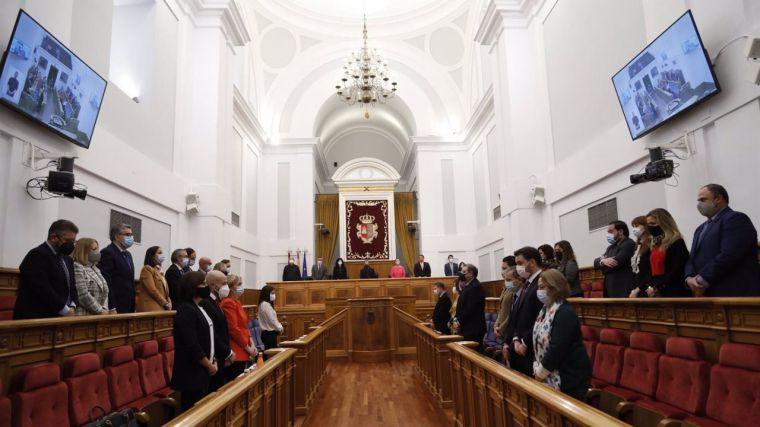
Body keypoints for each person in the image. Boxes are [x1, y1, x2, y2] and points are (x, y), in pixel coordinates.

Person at [686, 184, 760, 297]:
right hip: (705, 294)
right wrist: (689, 279)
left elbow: (729, 255)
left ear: (718, 199)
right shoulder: (700, 229)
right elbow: (692, 258)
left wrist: (701, 281)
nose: (699, 204)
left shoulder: (736, 219)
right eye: (698, 200)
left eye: (703, 199)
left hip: (733, 292)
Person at [532, 269, 592, 401]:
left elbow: (558, 347)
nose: (539, 291)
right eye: (538, 287)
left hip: (569, 376)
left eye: (542, 287)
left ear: (554, 288)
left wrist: (540, 373)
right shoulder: (544, 310)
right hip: (551, 372)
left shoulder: (564, 312)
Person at [14, 220, 79, 319]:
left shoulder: (67, 259)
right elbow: (43, 289)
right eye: (67, 241)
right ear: (53, 237)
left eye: (73, 242)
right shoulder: (37, 255)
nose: (71, 245)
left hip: (63, 317)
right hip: (37, 318)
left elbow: (72, 287)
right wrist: (65, 311)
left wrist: (73, 306)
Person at [171, 271, 217, 411]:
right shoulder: (186, 309)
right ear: (192, 287)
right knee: (193, 411)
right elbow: (191, 344)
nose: (206, 286)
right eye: (202, 284)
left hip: (202, 370)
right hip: (191, 372)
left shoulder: (199, 307)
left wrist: (212, 360)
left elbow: (208, 337)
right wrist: (209, 364)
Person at [631, 209, 690, 298]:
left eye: (653, 224)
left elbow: (678, 269)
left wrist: (658, 286)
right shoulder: (655, 244)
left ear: (664, 223)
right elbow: (650, 270)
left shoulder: (677, 241)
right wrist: (652, 286)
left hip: (673, 290)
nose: (650, 227)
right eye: (648, 224)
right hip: (656, 290)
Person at [504, 247, 544, 376]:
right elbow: (517, 316)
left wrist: (524, 342)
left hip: (531, 348)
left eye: (520, 263)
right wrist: (515, 338)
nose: (518, 267)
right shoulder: (528, 284)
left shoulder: (542, 283)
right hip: (519, 345)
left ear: (532, 262)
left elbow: (540, 318)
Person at [200, 271, 235, 392]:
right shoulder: (206, 302)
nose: (227, 287)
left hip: (220, 356)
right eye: (224, 283)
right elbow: (212, 333)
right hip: (214, 357)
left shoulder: (216, 301)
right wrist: (227, 352)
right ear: (214, 286)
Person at [219, 275, 258, 382]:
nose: (242, 287)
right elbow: (233, 329)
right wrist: (248, 348)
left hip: (245, 346)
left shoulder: (237, 302)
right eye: (239, 284)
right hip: (237, 349)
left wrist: (252, 343)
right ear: (231, 287)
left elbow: (245, 326)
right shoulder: (228, 302)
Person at [99, 224, 136, 313]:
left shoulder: (128, 254)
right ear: (116, 236)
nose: (131, 237)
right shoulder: (108, 252)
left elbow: (129, 280)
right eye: (127, 235)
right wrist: (112, 306)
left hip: (129, 304)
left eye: (131, 235)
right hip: (116, 305)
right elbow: (106, 281)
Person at [594, 221, 636, 298]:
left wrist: (603, 266)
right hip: (610, 289)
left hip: (622, 289)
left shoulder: (629, 244)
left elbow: (615, 264)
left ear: (620, 231)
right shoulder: (610, 247)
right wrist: (602, 261)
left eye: (611, 231)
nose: (608, 234)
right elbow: (595, 263)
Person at [72, 238, 111, 315]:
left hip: (100, 315)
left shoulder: (95, 268)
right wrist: (100, 311)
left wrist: (104, 309)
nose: (98, 252)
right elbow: (83, 295)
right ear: (84, 251)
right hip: (84, 314)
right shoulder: (77, 267)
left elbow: (105, 292)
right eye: (94, 249)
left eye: (98, 249)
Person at [455, 264, 486, 349]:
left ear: (471, 273)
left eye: (464, 272)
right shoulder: (468, 286)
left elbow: (470, 308)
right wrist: (456, 319)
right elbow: (461, 305)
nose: (461, 273)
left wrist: (459, 321)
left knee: (475, 355)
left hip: (473, 328)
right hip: (467, 327)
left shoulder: (476, 286)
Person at [136, 246, 172, 312]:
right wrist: (165, 303)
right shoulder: (147, 269)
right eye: (159, 253)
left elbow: (165, 291)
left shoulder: (159, 271)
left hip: (161, 305)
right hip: (151, 306)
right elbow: (152, 289)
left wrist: (169, 301)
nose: (162, 255)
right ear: (152, 256)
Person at [629, 216, 652, 298]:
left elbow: (649, 270)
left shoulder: (651, 244)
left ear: (645, 226)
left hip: (647, 287)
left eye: (637, 226)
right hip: (636, 287)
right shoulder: (637, 246)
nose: (635, 229)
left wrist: (639, 288)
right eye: (633, 227)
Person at [495, 264, 519, 341]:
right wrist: (496, 325)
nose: (506, 282)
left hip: (510, 330)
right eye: (505, 280)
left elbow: (512, 313)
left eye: (509, 280)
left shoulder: (516, 292)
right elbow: (501, 308)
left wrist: (501, 329)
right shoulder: (509, 289)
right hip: (502, 328)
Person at [258, 285, 284, 351]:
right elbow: (271, 320)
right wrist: (279, 327)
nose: (274, 295)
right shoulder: (265, 304)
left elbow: (274, 319)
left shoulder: (267, 304)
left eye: (274, 293)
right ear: (267, 293)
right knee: (271, 356)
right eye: (272, 293)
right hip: (268, 334)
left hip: (271, 333)